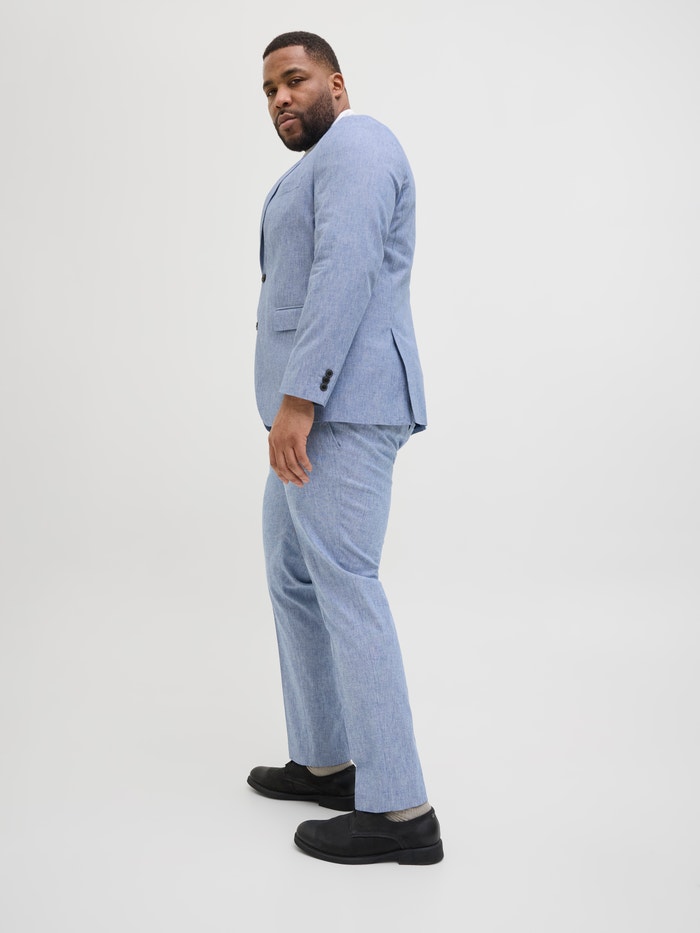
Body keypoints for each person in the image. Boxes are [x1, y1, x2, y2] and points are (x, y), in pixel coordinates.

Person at [248, 30, 443, 865]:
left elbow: (346, 268)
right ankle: (328, 760)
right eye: (269, 91)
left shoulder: (359, 143)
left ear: (337, 84)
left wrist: (300, 398)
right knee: (294, 576)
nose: (280, 98)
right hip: (310, 413)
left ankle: (401, 811)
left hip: (341, 407)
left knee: (345, 584)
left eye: (294, 80)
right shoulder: (310, 169)